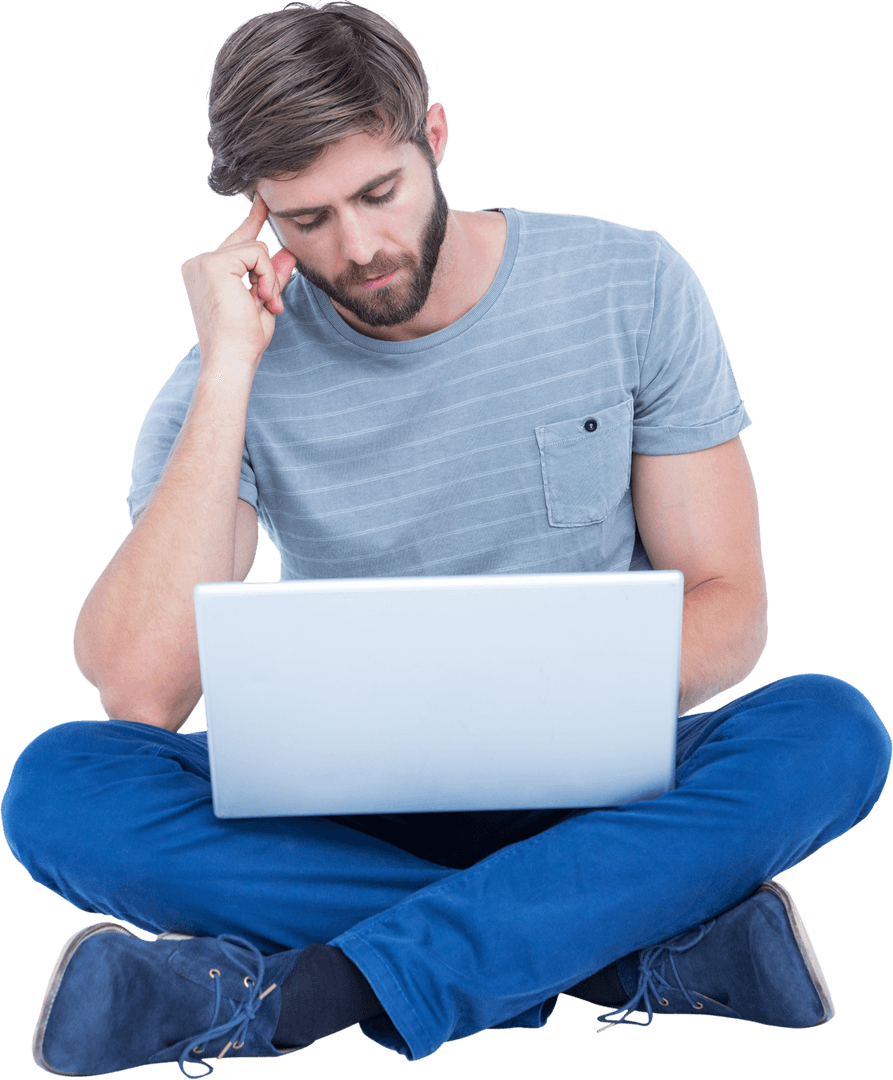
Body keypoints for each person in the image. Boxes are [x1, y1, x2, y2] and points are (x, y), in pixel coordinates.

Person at [3, 3, 890, 1075]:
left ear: (431, 138)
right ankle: (612, 950)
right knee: (62, 787)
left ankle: (309, 989)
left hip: (600, 792)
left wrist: (537, 698)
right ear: (258, 214)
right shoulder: (220, 382)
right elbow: (139, 689)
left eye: (378, 193)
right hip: (349, 816)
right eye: (309, 217)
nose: (360, 247)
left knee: (829, 732)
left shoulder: (630, 284)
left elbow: (726, 605)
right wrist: (231, 367)